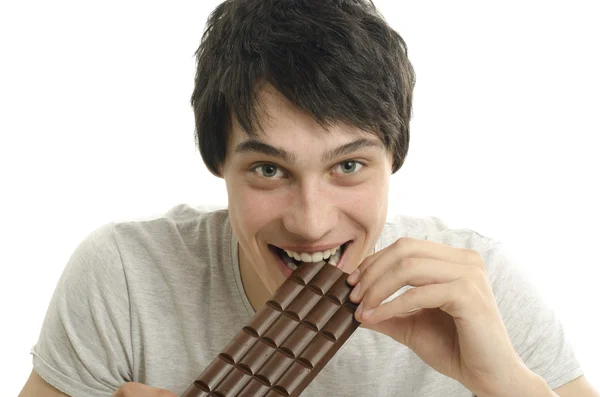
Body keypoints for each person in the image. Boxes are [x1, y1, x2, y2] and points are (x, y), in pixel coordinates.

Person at [17, 1, 598, 396]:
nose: (312, 221)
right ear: (216, 162)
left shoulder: (480, 288)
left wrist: (507, 385)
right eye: (269, 169)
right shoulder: (124, 278)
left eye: (348, 165)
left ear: (393, 157)